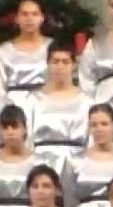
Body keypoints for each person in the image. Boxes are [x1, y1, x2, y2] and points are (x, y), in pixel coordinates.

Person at [24, 44, 92, 176]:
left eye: (65, 62)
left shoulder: (87, 102)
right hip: (41, 163)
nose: (60, 67)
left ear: (74, 65)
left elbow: (92, 139)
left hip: (77, 164)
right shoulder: (32, 100)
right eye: (55, 62)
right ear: (47, 64)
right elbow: (27, 138)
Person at [0, 0, 53, 106]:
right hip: (13, 104)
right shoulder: (4, 50)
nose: (29, 18)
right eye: (24, 14)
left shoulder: (53, 47)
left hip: (46, 103)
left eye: (34, 14)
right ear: (17, 18)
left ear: (42, 18)